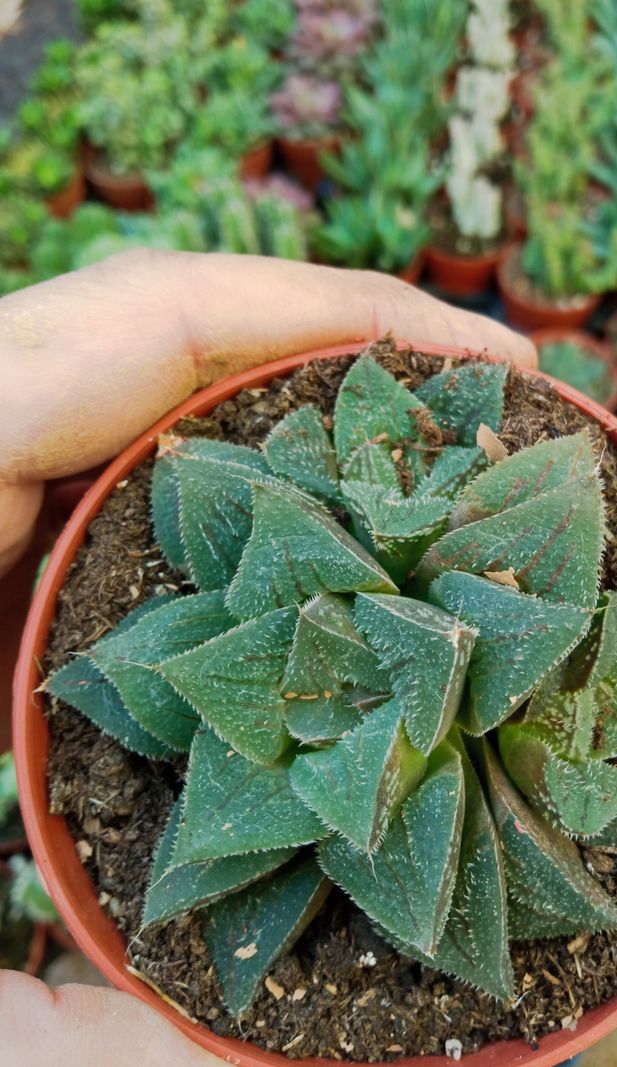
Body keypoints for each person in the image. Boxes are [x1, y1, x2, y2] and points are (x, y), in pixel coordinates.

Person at [0, 250, 536, 1065]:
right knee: (160, 670)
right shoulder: (317, 616)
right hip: (325, 732)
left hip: (395, 658)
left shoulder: (436, 631)